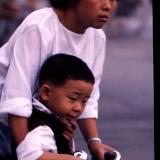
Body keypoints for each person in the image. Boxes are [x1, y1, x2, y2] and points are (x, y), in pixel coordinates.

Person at [0, 0, 119, 160]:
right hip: (8, 120)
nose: (108, 6)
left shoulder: (97, 37)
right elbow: (17, 98)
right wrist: (26, 152)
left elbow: (88, 97)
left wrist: (94, 142)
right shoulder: (39, 27)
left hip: (41, 120)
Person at [12, 53, 95, 160]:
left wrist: (65, 141)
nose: (78, 107)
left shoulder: (55, 122)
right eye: (73, 98)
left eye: (84, 101)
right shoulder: (42, 127)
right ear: (46, 93)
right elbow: (29, 155)